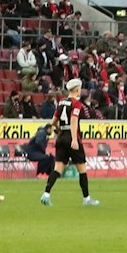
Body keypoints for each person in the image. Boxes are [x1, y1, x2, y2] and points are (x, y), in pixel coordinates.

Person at [41, 78, 99, 207]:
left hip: (61, 137)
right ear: (77, 89)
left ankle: (46, 194)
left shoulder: (61, 103)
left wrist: (58, 130)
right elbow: (73, 121)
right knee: (82, 169)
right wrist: (74, 139)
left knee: (58, 169)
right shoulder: (76, 104)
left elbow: (53, 121)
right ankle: (86, 199)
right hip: (71, 137)